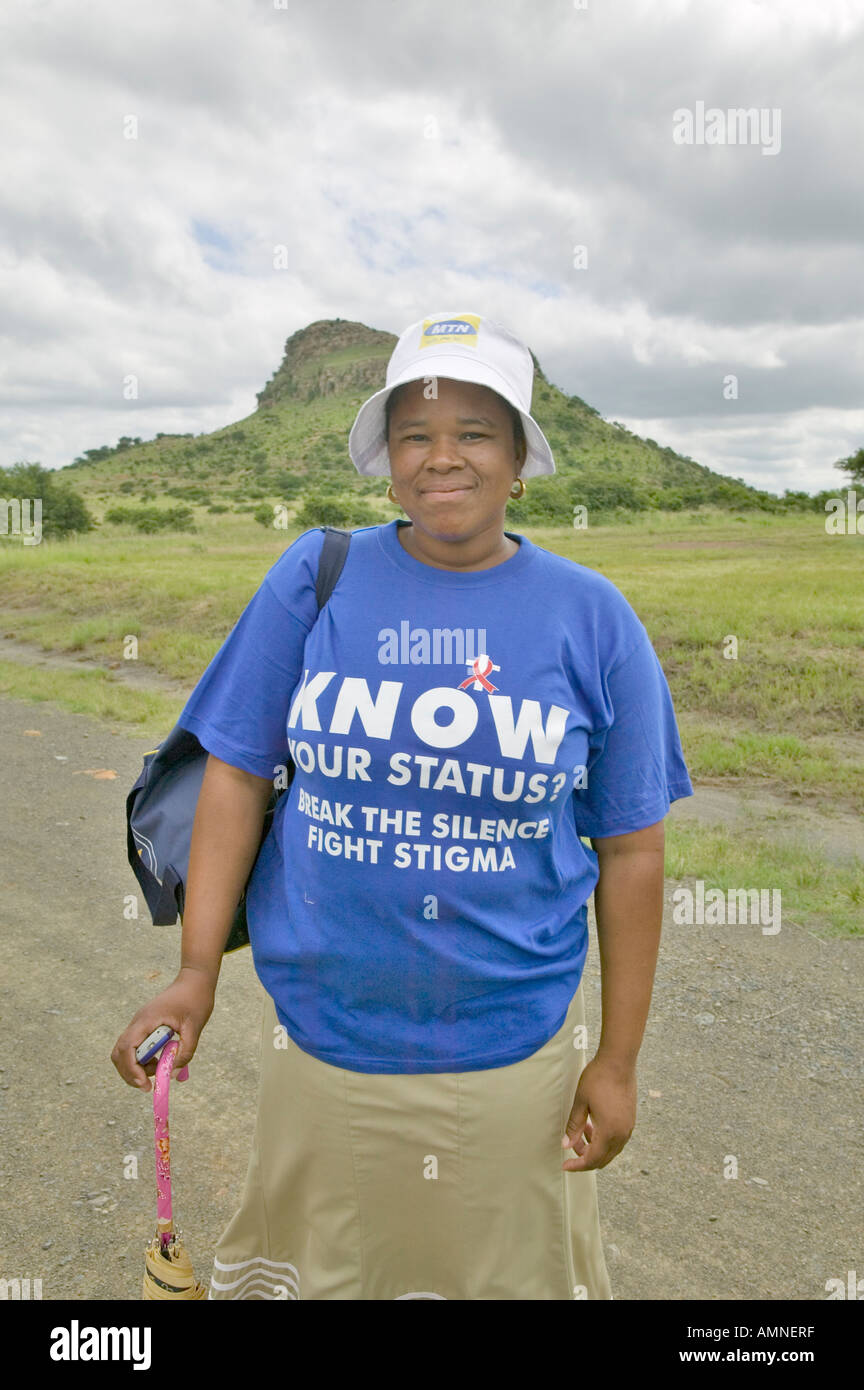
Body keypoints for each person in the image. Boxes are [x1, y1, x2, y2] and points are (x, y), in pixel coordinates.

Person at [112, 310, 694, 1300]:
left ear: (518, 457)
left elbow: (631, 851)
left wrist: (619, 1058)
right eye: (416, 433)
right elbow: (239, 773)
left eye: (475, 431)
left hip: (512, 1062)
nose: (443, 457)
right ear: (387, 459)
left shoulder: (593, 619)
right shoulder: (316, 578)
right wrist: (194, 972)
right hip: (323, 1052)